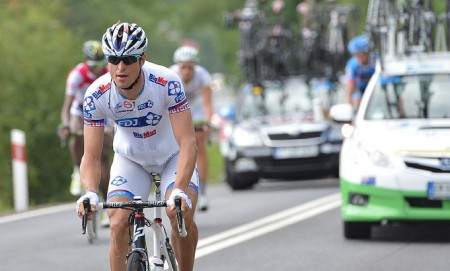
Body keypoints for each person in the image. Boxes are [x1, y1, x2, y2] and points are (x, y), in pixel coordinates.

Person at [76, 22, 199, 271]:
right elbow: (91, 155)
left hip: (172, 156)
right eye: (114, 59)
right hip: (131, 160)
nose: (120, 68)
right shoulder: (96, 94)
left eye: (129, 59)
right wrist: (89, 191)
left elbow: (188, 142)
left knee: (178, 215)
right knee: (118, 222)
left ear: (142, 58)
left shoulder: (167, 82)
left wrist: (180, 188)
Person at [58, 40, 113, 227]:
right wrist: (66, 125)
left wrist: (113, 127)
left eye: (100, 64)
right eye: (93, 66)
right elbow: (67, 107)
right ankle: (76, 169)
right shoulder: (76, 75)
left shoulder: (109, 72)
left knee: (104, 156)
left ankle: (106, 205)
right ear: (85, 62)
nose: (97, 69)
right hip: (81, 111)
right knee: (75, 133)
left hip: (104, 112)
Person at [170, 45, 213, 212]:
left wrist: (208, 122)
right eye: (183, 67)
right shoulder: (171, 75)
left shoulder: (203, 76)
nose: (186, 71)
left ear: (195, 66)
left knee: (199, 147)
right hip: (178, 112)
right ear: (178, 66)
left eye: (190, 67)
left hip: (196, 112)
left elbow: (208, 103)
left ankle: (202, 191)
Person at [344, 34, 376, 108]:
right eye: (355, 55)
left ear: (366, 53)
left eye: (358, 55)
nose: (356, 58)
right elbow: (349, 89)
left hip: (376, 90)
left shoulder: (375, 61)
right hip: (360, 90)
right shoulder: (353, 65)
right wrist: (349, 109)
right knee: (357, 99)